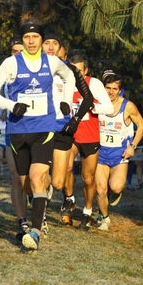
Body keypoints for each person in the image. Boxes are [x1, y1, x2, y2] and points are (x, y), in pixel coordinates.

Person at [0, 18, 76, 251]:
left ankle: (35, 232)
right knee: (26, 184)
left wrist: (66, 101)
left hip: (44, 129)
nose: (31, 41)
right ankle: (37, 203)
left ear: (42, 39)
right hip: (18, 131)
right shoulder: (11, 63)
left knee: (37, 177)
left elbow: (70, 76)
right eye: (27, 37)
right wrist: (10, 105)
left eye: (36, 37)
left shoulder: (52, 61)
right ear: (23, 39)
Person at [42, 30, 93, 231]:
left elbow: (87, 98)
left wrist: (76, 120)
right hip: (40, 128)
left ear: (62, 48)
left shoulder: (70, 69)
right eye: (47, 42)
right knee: (40, 173)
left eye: (56, 43)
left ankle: (45, 193)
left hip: (63, 130)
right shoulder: (33, 68)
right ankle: (41, 213)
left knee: (57, 182)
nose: (51, 47)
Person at [61, 54, 113, 231]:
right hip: (72, 135)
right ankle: (69, 199)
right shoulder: (64, 85)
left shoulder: (94, 84)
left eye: (79, 71)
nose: (75, 75)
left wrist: (93, 107)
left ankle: (87, 212)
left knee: (88, 179)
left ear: (86, 71)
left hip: (91, 137)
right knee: (66, 167)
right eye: (72, 70)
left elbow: (109, 107)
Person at [0, 35, 30, 241]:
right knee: (16, 176)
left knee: (32, 179)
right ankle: (22, 222)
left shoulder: (36, 70)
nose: (17, 54)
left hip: (35, 130)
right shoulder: (6, 71)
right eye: (14, 51)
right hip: (12, 129)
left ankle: (40, 205)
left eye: (20, 50)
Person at [95, 74, 143, 231]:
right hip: (101, 153)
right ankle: (104, 218)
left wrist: (133, 146)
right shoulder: (97, 104)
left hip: (120, 154)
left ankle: (116, 191)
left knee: (116, 187)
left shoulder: (128, 106)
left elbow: (142, 125)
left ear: (120, 90)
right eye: (108, 88)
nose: (111, 92)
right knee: (100, 189)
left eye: (114, 89)